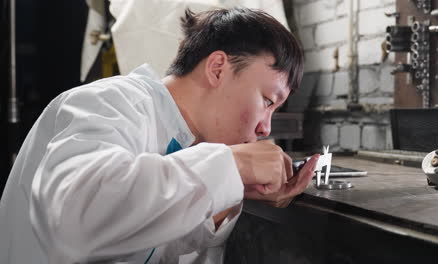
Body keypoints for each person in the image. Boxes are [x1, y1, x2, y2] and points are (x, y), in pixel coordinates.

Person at [0, 7, 319, 264]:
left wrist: (230, 191)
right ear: (218, 68)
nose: (265, 128)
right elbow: (74, 226)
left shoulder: (181, 139)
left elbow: (144, 244)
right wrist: (229, 166)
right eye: (267, 100)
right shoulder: (108, 103)